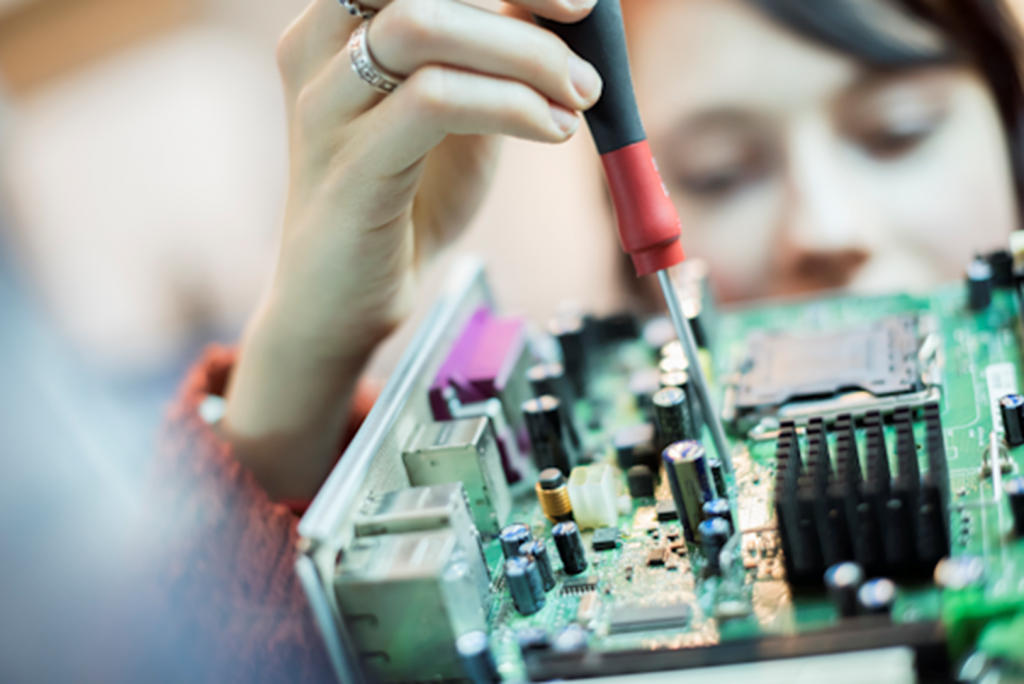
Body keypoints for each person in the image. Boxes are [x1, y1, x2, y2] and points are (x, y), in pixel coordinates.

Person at [150, 0, 1024, 680]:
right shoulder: (549, 465)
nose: (826, 225)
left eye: (899, 128)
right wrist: (298, 377)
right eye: (721, 169)